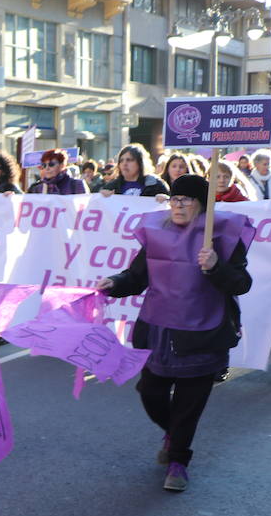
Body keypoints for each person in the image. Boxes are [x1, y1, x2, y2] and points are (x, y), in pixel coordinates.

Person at [96, 174, 255, 492]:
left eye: (186, 200)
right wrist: (114, 283)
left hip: (204, 335)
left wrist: (215, 267)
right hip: (159, 331)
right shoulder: (158, 232)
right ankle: (174, 433)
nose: (178, 205)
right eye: (174, 199)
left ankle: (178, 462)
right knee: (150, 392)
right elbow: (136, 276)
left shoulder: (223, 236)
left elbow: (242, 284)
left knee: (189, 403)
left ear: (202, 206)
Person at [102, 144, 167, 197]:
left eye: (129, 160)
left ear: (140, 163)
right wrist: (101, 196)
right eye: (121, 160)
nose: (124, 163)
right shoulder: (111, 187)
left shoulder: (155, 185)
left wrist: (164, 198)